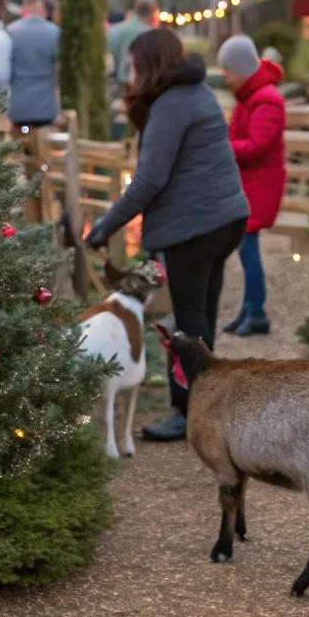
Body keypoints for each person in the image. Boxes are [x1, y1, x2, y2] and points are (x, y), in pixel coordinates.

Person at [86, 28, 247, 441]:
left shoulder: (171, 106)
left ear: (150, 65)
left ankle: (188, 410)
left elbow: (149, 180)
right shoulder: (198, 93)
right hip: (226, 219)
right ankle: (208, 400)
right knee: (203, 314)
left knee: (190, 323)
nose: (129, 74)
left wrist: (105, 226)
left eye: (134, 66)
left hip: (195, 228)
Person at [218, 36, 286, 337]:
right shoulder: (251, 97)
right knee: (246, 253)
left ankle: (256, 311)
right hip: (249, 185)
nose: (225, 76)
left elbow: (258, 145)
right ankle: (248, 309)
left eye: (228, 70)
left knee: (249, 254)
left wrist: (223, 147)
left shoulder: (266, 100)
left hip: (258, 187)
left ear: (242, 69)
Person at [6, 0, 60, 133]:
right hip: (46, 107)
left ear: (24, 9)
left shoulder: (10, 31)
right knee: (44, 142)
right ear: (43, 10)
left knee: (20, 141)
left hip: (19, 106)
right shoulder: (55, 32)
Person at [107, 0, 159, 87]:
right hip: (134, 84)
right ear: (153, 13)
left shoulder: (115, 29)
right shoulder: (146, 33)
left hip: (116, 81)